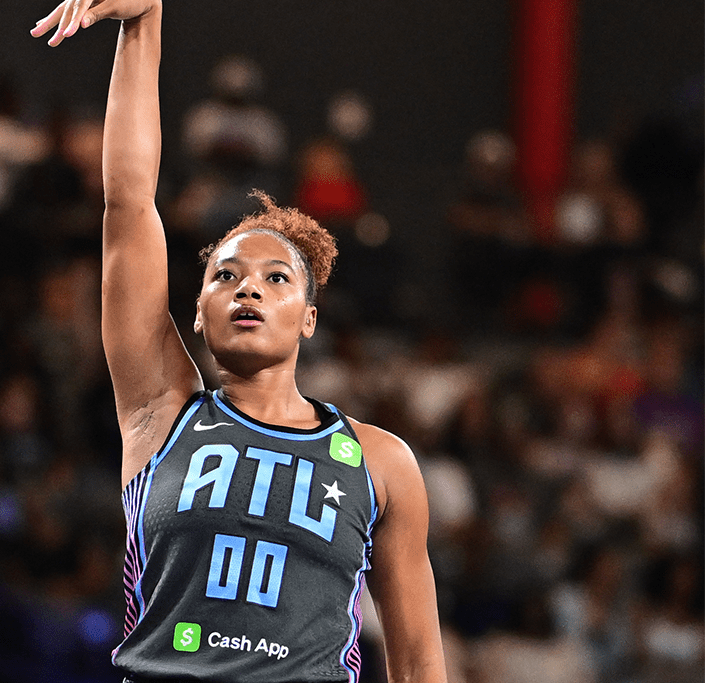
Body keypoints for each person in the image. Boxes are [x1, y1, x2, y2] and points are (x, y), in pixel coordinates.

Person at [32, 2, 447, 682]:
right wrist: (144, 25)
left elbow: (420, 659)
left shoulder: (381, 461)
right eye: (226, 275)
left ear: (309, 317)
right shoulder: (160, 411)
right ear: (198, 312)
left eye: (276, 277)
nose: (247, 289)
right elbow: (129, 202)